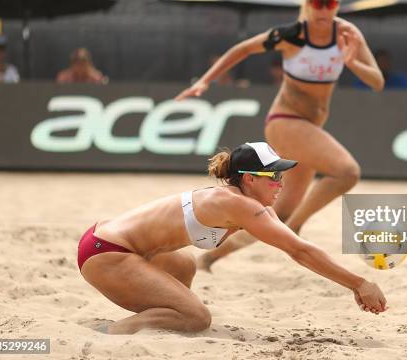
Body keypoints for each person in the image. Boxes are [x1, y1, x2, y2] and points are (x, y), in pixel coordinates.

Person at [175, 0, 384, 271]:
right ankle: (296, 231)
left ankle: (210, 258)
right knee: (347, 172)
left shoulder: (347, 35)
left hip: (309, 128)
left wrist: (352, 62)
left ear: (337, 4)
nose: (323, 9)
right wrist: (204, 81)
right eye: (317, 2)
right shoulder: (293, 35)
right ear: (307, 3)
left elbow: (377, 81)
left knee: (278, 215)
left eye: (330, 2)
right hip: (285, 121)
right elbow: (242, 49)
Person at [78, 142, 387, 334]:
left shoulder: (248, 202)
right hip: (105, 251)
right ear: (250, 179)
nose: (281, 183)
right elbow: (299, 251)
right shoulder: (237, 205)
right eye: (275, 176)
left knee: (185, 266)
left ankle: (164, 315)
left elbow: (294, 242)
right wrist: (359, 283)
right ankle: (109, 333)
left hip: (109, 239)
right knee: (197, 318)